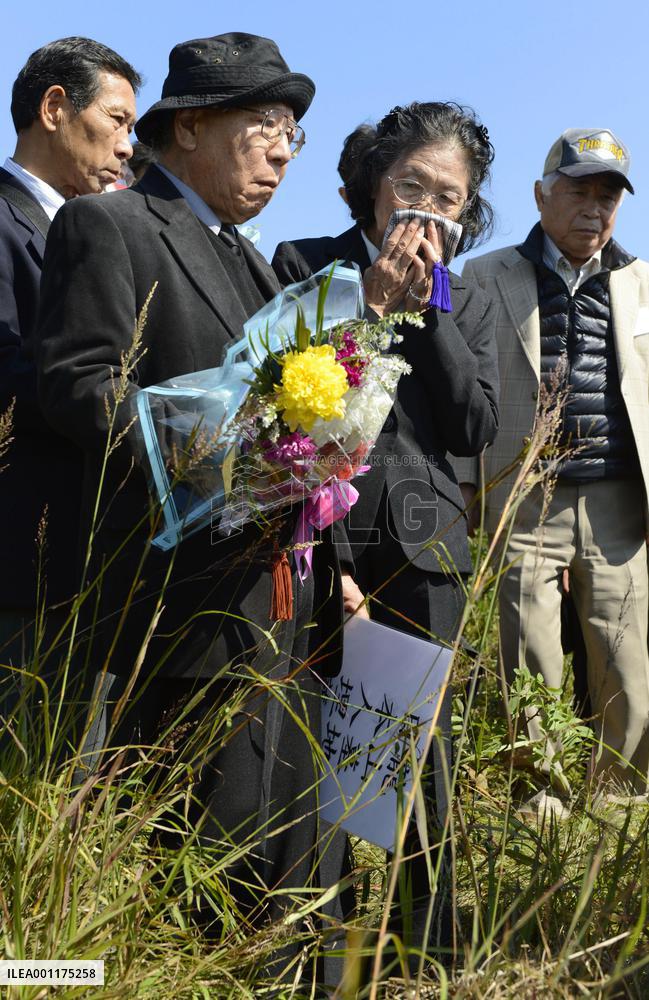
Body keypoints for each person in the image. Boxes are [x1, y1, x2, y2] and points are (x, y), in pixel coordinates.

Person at [34, 32, 346, 954]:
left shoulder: (260, 264)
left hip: (273, 606)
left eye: (293, 130)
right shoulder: (112, 224)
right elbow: (80, 386)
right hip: (175, 613)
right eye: (266, 125)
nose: (285, 150)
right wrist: (219, 446)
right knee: (190, 861)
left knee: (272, 862)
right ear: (193, 127)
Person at [273, 100, 500, 961]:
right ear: (371, 188)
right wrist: (369, 303)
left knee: (420, 761)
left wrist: (430, 307)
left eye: (448, 199)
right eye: (411, 186)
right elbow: (283, 397)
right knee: (317, 746)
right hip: (314, 539)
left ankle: (425, 956)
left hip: (423, 551)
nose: (426, 211)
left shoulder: (465, 296)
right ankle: (320, 957)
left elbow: (472, 428)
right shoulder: (302, 263)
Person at [462, 128, 649, 816]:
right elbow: (458, 382)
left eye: (607, 196)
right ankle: (536, 791)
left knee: (623, 643)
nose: (593, 208)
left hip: (618, 494)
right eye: (578, 191)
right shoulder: (479, 278)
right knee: (526, 645)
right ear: (541, 195)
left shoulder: (643, 282)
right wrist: (462, 485)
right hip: (522, 488)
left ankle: (622, 794)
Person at [0, 37, 140, 733]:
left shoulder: (101, 233)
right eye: (117, 122)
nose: (127, 147)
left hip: (90, 562)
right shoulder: (4, 222)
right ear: (55, 108)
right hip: (19, 550)